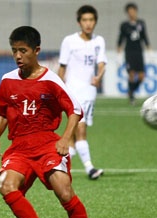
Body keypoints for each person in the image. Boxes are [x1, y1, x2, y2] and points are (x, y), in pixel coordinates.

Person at [0, 26, 98, 218]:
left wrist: (66, 140)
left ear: (36, 50)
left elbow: (75, 110)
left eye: (23, 50)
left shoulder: (51, 80)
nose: (18, 56)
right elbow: (4, 111)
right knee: (6, 187)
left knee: (64, 192)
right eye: (14, 50)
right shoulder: (7, 81)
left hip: (48, 144)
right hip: (19, 148)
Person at [57, 5, 106, 180]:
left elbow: (102, 64)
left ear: (95, 22)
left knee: (72, 136)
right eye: (85, 20)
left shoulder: (99, 41)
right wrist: (58, 91)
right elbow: (62, 67)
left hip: (89, 93)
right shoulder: (69, 41)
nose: (88, 24)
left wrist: (99, 76)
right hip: (73, 92)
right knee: (81, 130)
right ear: (79, 22)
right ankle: (90, 168)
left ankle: (58, 166)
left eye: (91, 20)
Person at [117, 2, 151, 105]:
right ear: (127, 13)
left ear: (136, 11)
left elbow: (145, 37)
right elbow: (120, 39)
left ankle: (131, 91)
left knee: (141, 76)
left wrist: (150, 52)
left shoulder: (141, 23)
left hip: (139, 52)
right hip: (129, 52)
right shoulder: (124, 25)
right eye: (129, 11)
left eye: (133, 11)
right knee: (131, 74)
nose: (132, 13)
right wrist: (118, 55)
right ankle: (131, 97)